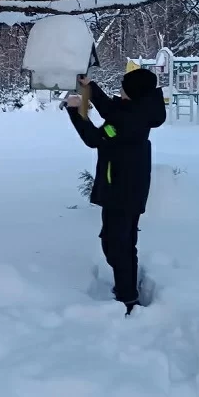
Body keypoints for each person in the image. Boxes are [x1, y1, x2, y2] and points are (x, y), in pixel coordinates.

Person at [65, 68, 166, 314]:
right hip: (129, 188)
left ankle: (128, 297)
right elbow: (111, 110)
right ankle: (127, 288)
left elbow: (95, 138)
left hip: (121, 190)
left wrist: (75, 111)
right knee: (123, 242)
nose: (120, 90)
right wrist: (90, 87)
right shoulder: (140, 109)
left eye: (124, 87)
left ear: (134, 92)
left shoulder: (128, 120)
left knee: (116, 245)